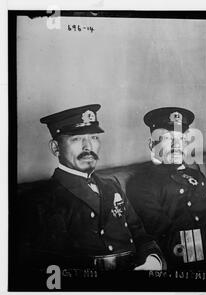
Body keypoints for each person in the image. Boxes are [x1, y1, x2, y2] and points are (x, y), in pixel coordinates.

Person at [18, 104, 164, 272]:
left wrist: (153, 260)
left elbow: (139, 233)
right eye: (77, 139)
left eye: (94, 137)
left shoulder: (112, 185)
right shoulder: (42, 200)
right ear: (56, 148)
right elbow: (52, 267)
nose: (88, 147)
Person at [126, 107, 206, 270]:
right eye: (167, 138)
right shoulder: (142, 183)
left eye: (181, 138)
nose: (176, 145)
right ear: (152, 144)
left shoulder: (196, 175)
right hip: (187, 264)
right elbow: (161, 239)